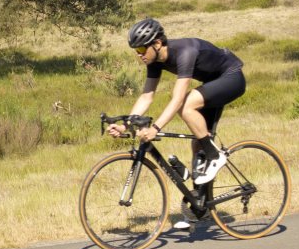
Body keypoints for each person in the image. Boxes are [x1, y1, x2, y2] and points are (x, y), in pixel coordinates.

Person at [105, 17, 246, 184]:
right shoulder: (154, 60)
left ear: (157, 44)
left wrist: (155, 129)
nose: (139, 54)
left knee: (186, 105)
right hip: (212, 83)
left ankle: (215, 157)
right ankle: (201, 198)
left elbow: (178, 100)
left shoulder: (185, 52)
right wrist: (125, 125)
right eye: (136, 50)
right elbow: (146, 96)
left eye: (142, 49)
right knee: (198, 144)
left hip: (231, 77)